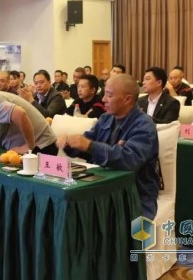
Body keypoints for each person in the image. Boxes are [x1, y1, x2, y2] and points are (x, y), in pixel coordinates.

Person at [56, 74, 160, 219]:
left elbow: (130, 160)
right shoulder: (106, 118)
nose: (104, 99)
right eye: (104, 94)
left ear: (127, 99)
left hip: (134, 198)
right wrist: (69, 143)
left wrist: (90, 146)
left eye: (109, 95)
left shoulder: (144, 125)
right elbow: (88, 144)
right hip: (103, 192)